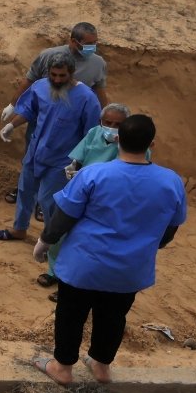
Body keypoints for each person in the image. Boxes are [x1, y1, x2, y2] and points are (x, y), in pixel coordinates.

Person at [33, 113, 186, 386]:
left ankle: (63, 367)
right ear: (153, 143)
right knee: (114, 316)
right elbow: (169, 229)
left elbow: (64, 215)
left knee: (71, 313)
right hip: (130, 269)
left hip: (84, 263)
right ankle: (101, 366)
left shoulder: (94, 174)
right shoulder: (171, 181)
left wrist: (45, 241)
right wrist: (149, 246)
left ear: (118, 140)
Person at [0, 58, 102, 243]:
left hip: (62, 159)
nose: (57, 80)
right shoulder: (40, 86)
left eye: (62, 76)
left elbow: (91, 134)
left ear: (72, 73)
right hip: (36, 150)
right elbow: (29, 109)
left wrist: (80, 162)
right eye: (53, 75)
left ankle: (51, 241)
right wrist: (12, 125)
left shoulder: (86, 98)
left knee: (47, 200)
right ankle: (19, 229)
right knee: (25, 190)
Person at [0, 22, 109, 203]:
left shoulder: (97, 63)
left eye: (95, 43)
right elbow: (30, 80)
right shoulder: (48, 56)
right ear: (74, 41)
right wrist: (13, 104)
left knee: (64, 162)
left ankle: (47, 200)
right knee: (33, 155)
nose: (93, 48)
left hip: (71, 122)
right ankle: (26, 192)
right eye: (89, 44)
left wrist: (106, 118)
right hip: (42, 115)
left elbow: (100, 89)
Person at [38, 102, 131, 287]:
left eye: (118, 125)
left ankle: (72, 284)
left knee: (86, 242)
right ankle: (53, 271)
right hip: (80, 190)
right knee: (62, 232)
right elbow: (79, 157)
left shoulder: (133, 143)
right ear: (100, 121)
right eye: (108, 122)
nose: (112, 128)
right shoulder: (94, 133)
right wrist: (74, 168)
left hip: (106, 199)